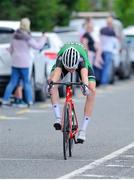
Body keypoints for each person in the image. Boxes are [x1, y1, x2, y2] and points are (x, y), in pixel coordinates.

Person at [47, 42, 96, 143]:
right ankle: (58, 117)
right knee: (52, 82)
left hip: (81, 63)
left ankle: (83, 130)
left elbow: (85, 79)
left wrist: (85, 88)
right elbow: (55, 77)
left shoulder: (81, 60)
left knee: (92, 90)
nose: (71, 71)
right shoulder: (61, 59)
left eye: (72, 69)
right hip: (63, 62)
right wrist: (50, 86)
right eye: (68, 69)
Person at [2, 17, 47, 107]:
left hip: (15, 62)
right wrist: (43, 38)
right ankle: (29, 101)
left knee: (12, 82)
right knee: (26, 82)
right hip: (24, 63)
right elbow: (37, 46)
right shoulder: (26, 37)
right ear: (27, 25)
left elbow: (11, 50)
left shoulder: (14, 35)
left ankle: (5, 101)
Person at [100, 15, 117, 85]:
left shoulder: (103, 30)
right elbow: (114, 41)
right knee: (106, 67)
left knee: (103, 66)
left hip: (102, 50)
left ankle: (103, 80)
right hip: (108, 50)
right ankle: (104, 81)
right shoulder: (111, 30)